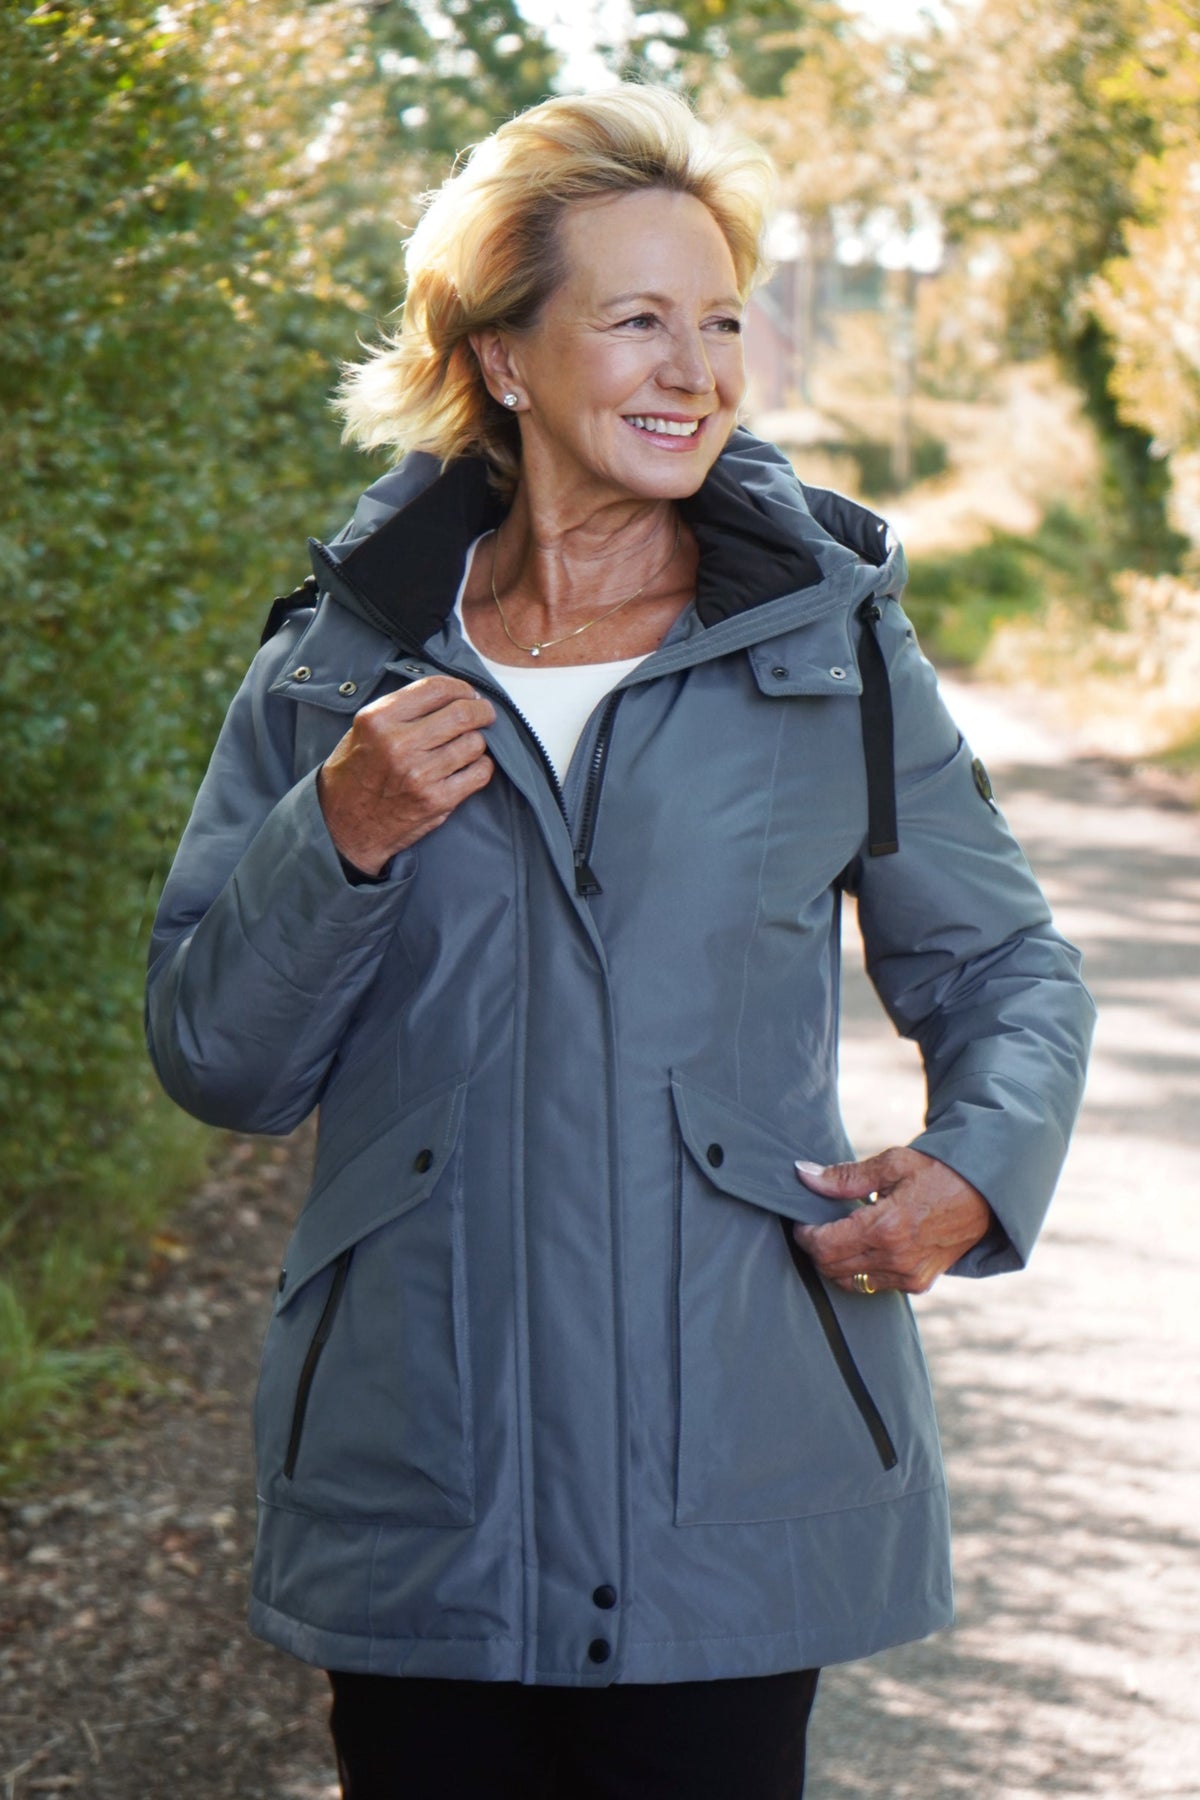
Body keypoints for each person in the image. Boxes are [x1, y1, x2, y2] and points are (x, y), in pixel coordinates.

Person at [145, 84, 1095, 1799]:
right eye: (639, 319)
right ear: (502, 358)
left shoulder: (830, 650)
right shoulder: (334, 667)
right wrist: (334, 838)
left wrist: (979, 1167)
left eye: (722, 321)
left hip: (733, 1469)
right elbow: (220, 1060)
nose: (698, 369)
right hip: (419, 1477)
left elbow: (1003, 968)